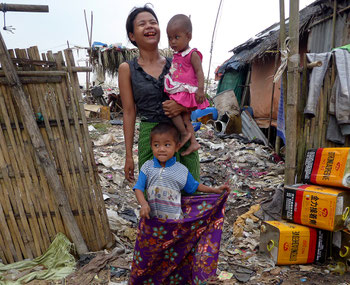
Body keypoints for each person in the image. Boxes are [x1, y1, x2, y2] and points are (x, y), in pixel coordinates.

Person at [118, 5, 200, 184]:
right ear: (132, 35)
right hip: (151, 138)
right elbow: (129, 112)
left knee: (190, 191)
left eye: (153, 22)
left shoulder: (177, 63)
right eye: (142, 24)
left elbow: (198, 95)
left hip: (180, 134)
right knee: (154, 195)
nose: (149, 26)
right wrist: (128, 155)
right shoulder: (127, 69)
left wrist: (181, 106)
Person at [133, 123, 230, 219]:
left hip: (175, 223)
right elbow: (138, 188)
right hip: (152, 222)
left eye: (167, 145)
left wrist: (215, 190)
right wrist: (144, 204)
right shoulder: (147, 167)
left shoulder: (181, 170)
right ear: (151, 146)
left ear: (177, 147)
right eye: (156, 145)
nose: (161, 149)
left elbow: (195, 186)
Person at [164, 14, 210, 156]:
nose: (172, 42)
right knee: (185, 118)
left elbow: (199, 72)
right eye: (170, 38)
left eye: (176, 37)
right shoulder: (177, 55)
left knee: (172, 111)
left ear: (188, 36)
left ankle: (184, 134)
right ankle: (194, 143)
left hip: (187, 90)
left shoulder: (192, 54)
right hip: (180, 89)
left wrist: (201, 90)